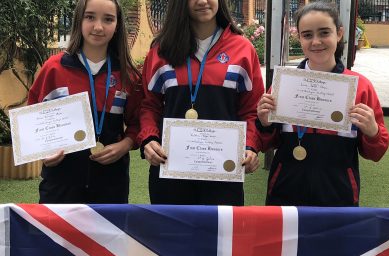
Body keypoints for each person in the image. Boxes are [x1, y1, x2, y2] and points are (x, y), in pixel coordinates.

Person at [256, 1, 389, 207]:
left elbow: (376, 153)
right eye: (307, 35)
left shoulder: (360, 87)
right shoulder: (283, 84)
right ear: (299, 37)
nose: (316, 41)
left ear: (339, 33)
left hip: (338, 196)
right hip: (284, 193)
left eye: (324, 32)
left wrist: (372, 131)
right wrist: (264, 124)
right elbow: (267, 143)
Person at [138, 0, 264, 205]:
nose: (203, 2)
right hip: (170, 173)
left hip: (223, 176)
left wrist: (250, 146)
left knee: (220, 237)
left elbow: (251, 110)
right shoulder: (161, 50)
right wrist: (149, 139)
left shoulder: (243, 49)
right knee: (171, 237)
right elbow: (148, 105)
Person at [28, 0, 143, 204]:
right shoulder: (53, 69)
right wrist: (43, 153)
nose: (98, 27)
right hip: (60, 185)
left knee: (107, 237)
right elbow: (32, 122)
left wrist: (125, 145)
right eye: (90, 17)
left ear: (117, 25)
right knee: (58, 237)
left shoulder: (128, 75)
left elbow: (137, 123)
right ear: (78, 21)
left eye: (108, 19)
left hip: (111, 185)